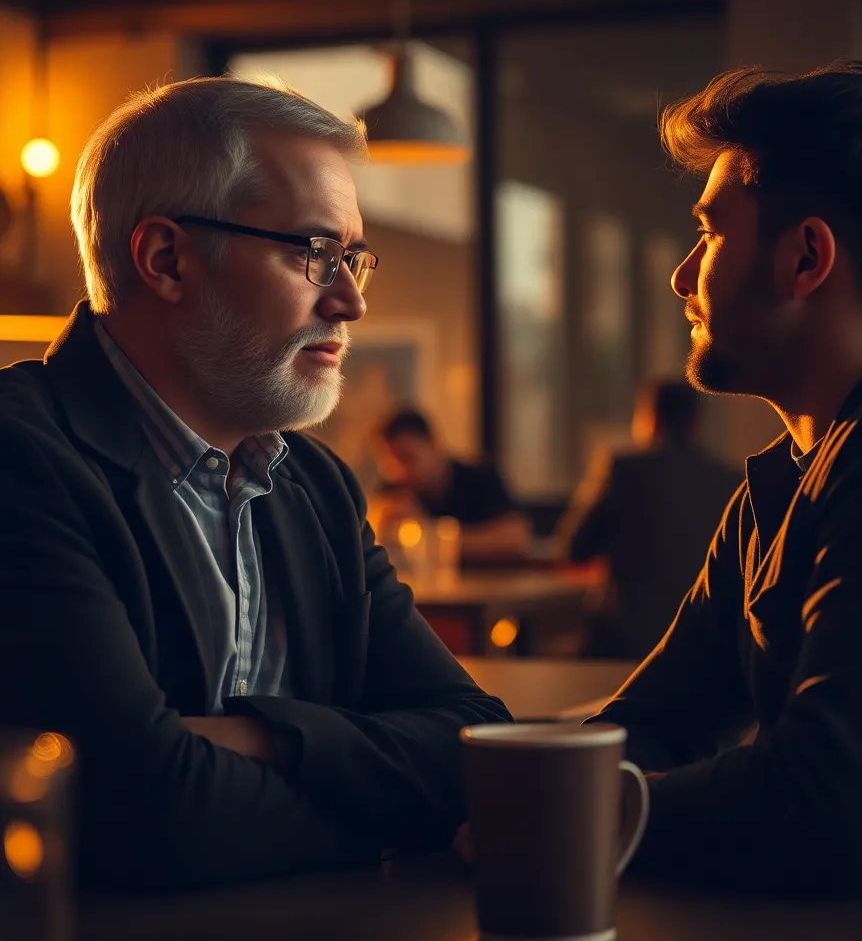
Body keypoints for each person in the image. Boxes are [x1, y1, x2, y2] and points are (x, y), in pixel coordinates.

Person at [0, 77, 510, 893]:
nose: (351, 299)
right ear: (167, 258)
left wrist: (257, 738)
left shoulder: (316, 486)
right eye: (315, 253)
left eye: (354, 257)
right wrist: (377, 795)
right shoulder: (21, 459)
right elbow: (139, 813)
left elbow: (481, 746)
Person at [590, 61, 862, 896]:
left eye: (710, 233)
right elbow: (657, 718)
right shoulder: (781, 483)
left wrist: (591, 818)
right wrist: (555, 786)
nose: (682, 276)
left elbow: (834, 797)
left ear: (806, 259)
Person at [557, 380, 741, 658]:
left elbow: (574, 546)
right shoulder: (731, 481)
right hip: (707, 650)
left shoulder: (624, 471)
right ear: (696, 422)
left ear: (648, 419)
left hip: (624, 646)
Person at [372, 408, 532, 562]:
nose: (399, 471)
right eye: (389, 464)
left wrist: (430, 534)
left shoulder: (480, 478)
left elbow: (516, 540)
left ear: (433, 444)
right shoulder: (394, 489)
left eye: (407, 457)